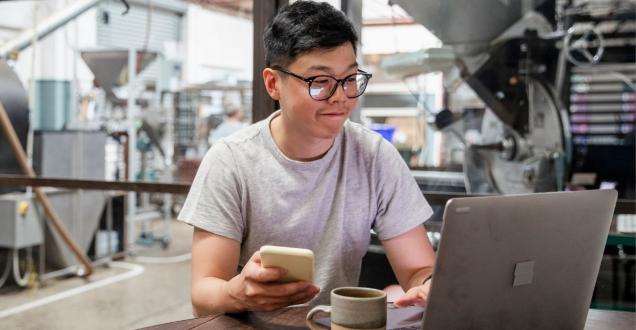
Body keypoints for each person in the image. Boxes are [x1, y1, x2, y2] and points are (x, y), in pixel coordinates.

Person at [178, 1, 436, 317]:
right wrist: (238, 292)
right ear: (274, 84)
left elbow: (419, 269)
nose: (341, 96)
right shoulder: (232, 161)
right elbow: (204, 293)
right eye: (320, 81)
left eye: (350, 78)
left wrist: (428, 285)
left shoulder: (374, 156)